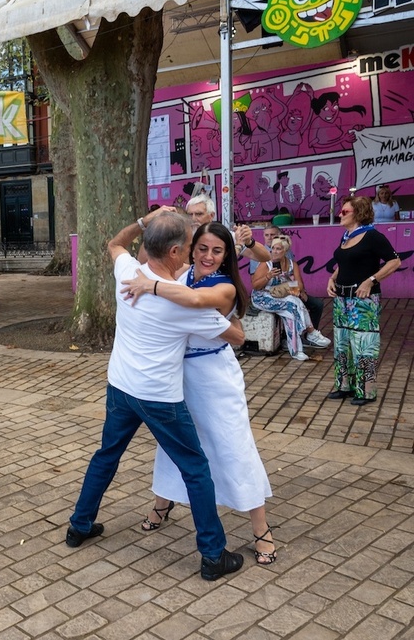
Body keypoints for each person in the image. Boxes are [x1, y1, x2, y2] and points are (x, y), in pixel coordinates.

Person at [66, 207, 245, 582]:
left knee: (106, 456)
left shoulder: (128, 273)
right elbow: (238, 337)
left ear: (148, 244)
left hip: (120, 387)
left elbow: (114, 243)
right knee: (196, 469)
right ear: (178, 253)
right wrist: (221, 310)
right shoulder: (180, 302)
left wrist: (145, 220)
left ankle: (79, 525)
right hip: (159, 398)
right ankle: (213, 555)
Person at [120, 222, 276, 565]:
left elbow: (194, 302)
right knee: (174, 445)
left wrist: (152, 285)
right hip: (177, 374)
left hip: (215, 377)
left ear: (226, 255)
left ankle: (261, 529)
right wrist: (151, 223)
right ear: (190, 248)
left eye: (216, 250)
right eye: (201, 248)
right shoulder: (182, 273)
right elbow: (147, 250)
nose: (207, 256)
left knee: (234, 446)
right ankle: (163, 504)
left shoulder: (225, 287)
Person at [326, 197, 401, 405]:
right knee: (342, 343)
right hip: (342, 299)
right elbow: (345, 262)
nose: (339, 214)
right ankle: (344, 386)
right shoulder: (347, 236)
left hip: (363, 301)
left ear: (358, 213)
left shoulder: (373, 236)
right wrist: (332, 278)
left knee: (364, 345)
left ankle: (365, 391)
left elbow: (395, 261)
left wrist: (371, 280)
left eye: (344, 211)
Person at [251, 235, 331, 361]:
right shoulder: (266, 263)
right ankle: (310, 333)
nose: (274, 252)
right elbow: (255, 286)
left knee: (293, 306)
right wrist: (268, 276)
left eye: (278, 249)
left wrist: (293, 289)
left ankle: (297, 349)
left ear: (285, 251)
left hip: (282, 295)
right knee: (293, 305)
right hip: (262, 297)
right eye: (273, 248)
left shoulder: (291, 264)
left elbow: (299, 284)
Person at [184, 194, 272, 263]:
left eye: (199, 214)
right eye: (190, 214)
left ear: (211, 215)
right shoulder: (181, 236)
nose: (193, 218)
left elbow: (265, 257)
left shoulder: (224, 236)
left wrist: (249, 242)